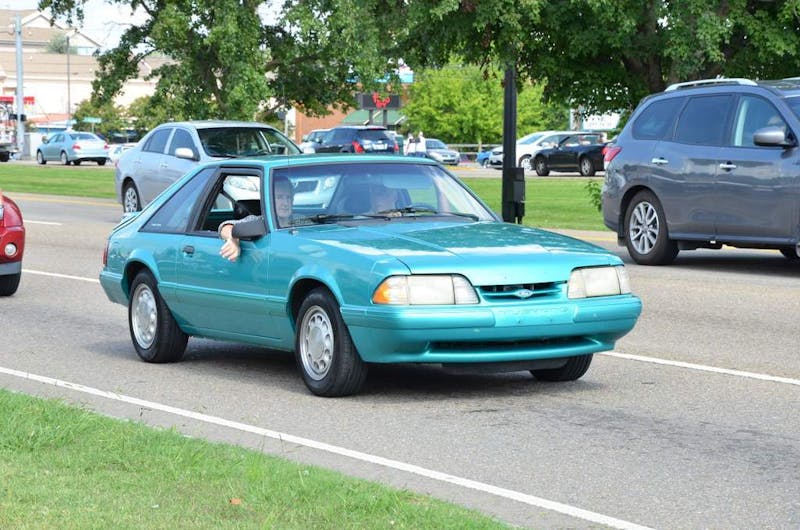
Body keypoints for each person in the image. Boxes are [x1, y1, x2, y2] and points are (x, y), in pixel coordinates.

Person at [219, 176, 293, 262]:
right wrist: (233, 239)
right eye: (279, 197)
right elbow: (225, 227)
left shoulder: (302, 219)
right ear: (270, 200)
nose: (285, 203)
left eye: (288, 197)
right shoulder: (259, 220)